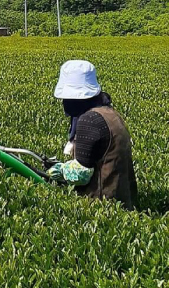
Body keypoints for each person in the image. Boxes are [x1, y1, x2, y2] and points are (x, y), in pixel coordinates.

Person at [47, 60, 138, 211]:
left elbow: (81, 174)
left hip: (102, 205)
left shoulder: (89, 120)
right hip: (124, 201)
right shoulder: (110, 112)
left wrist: (60, 171)